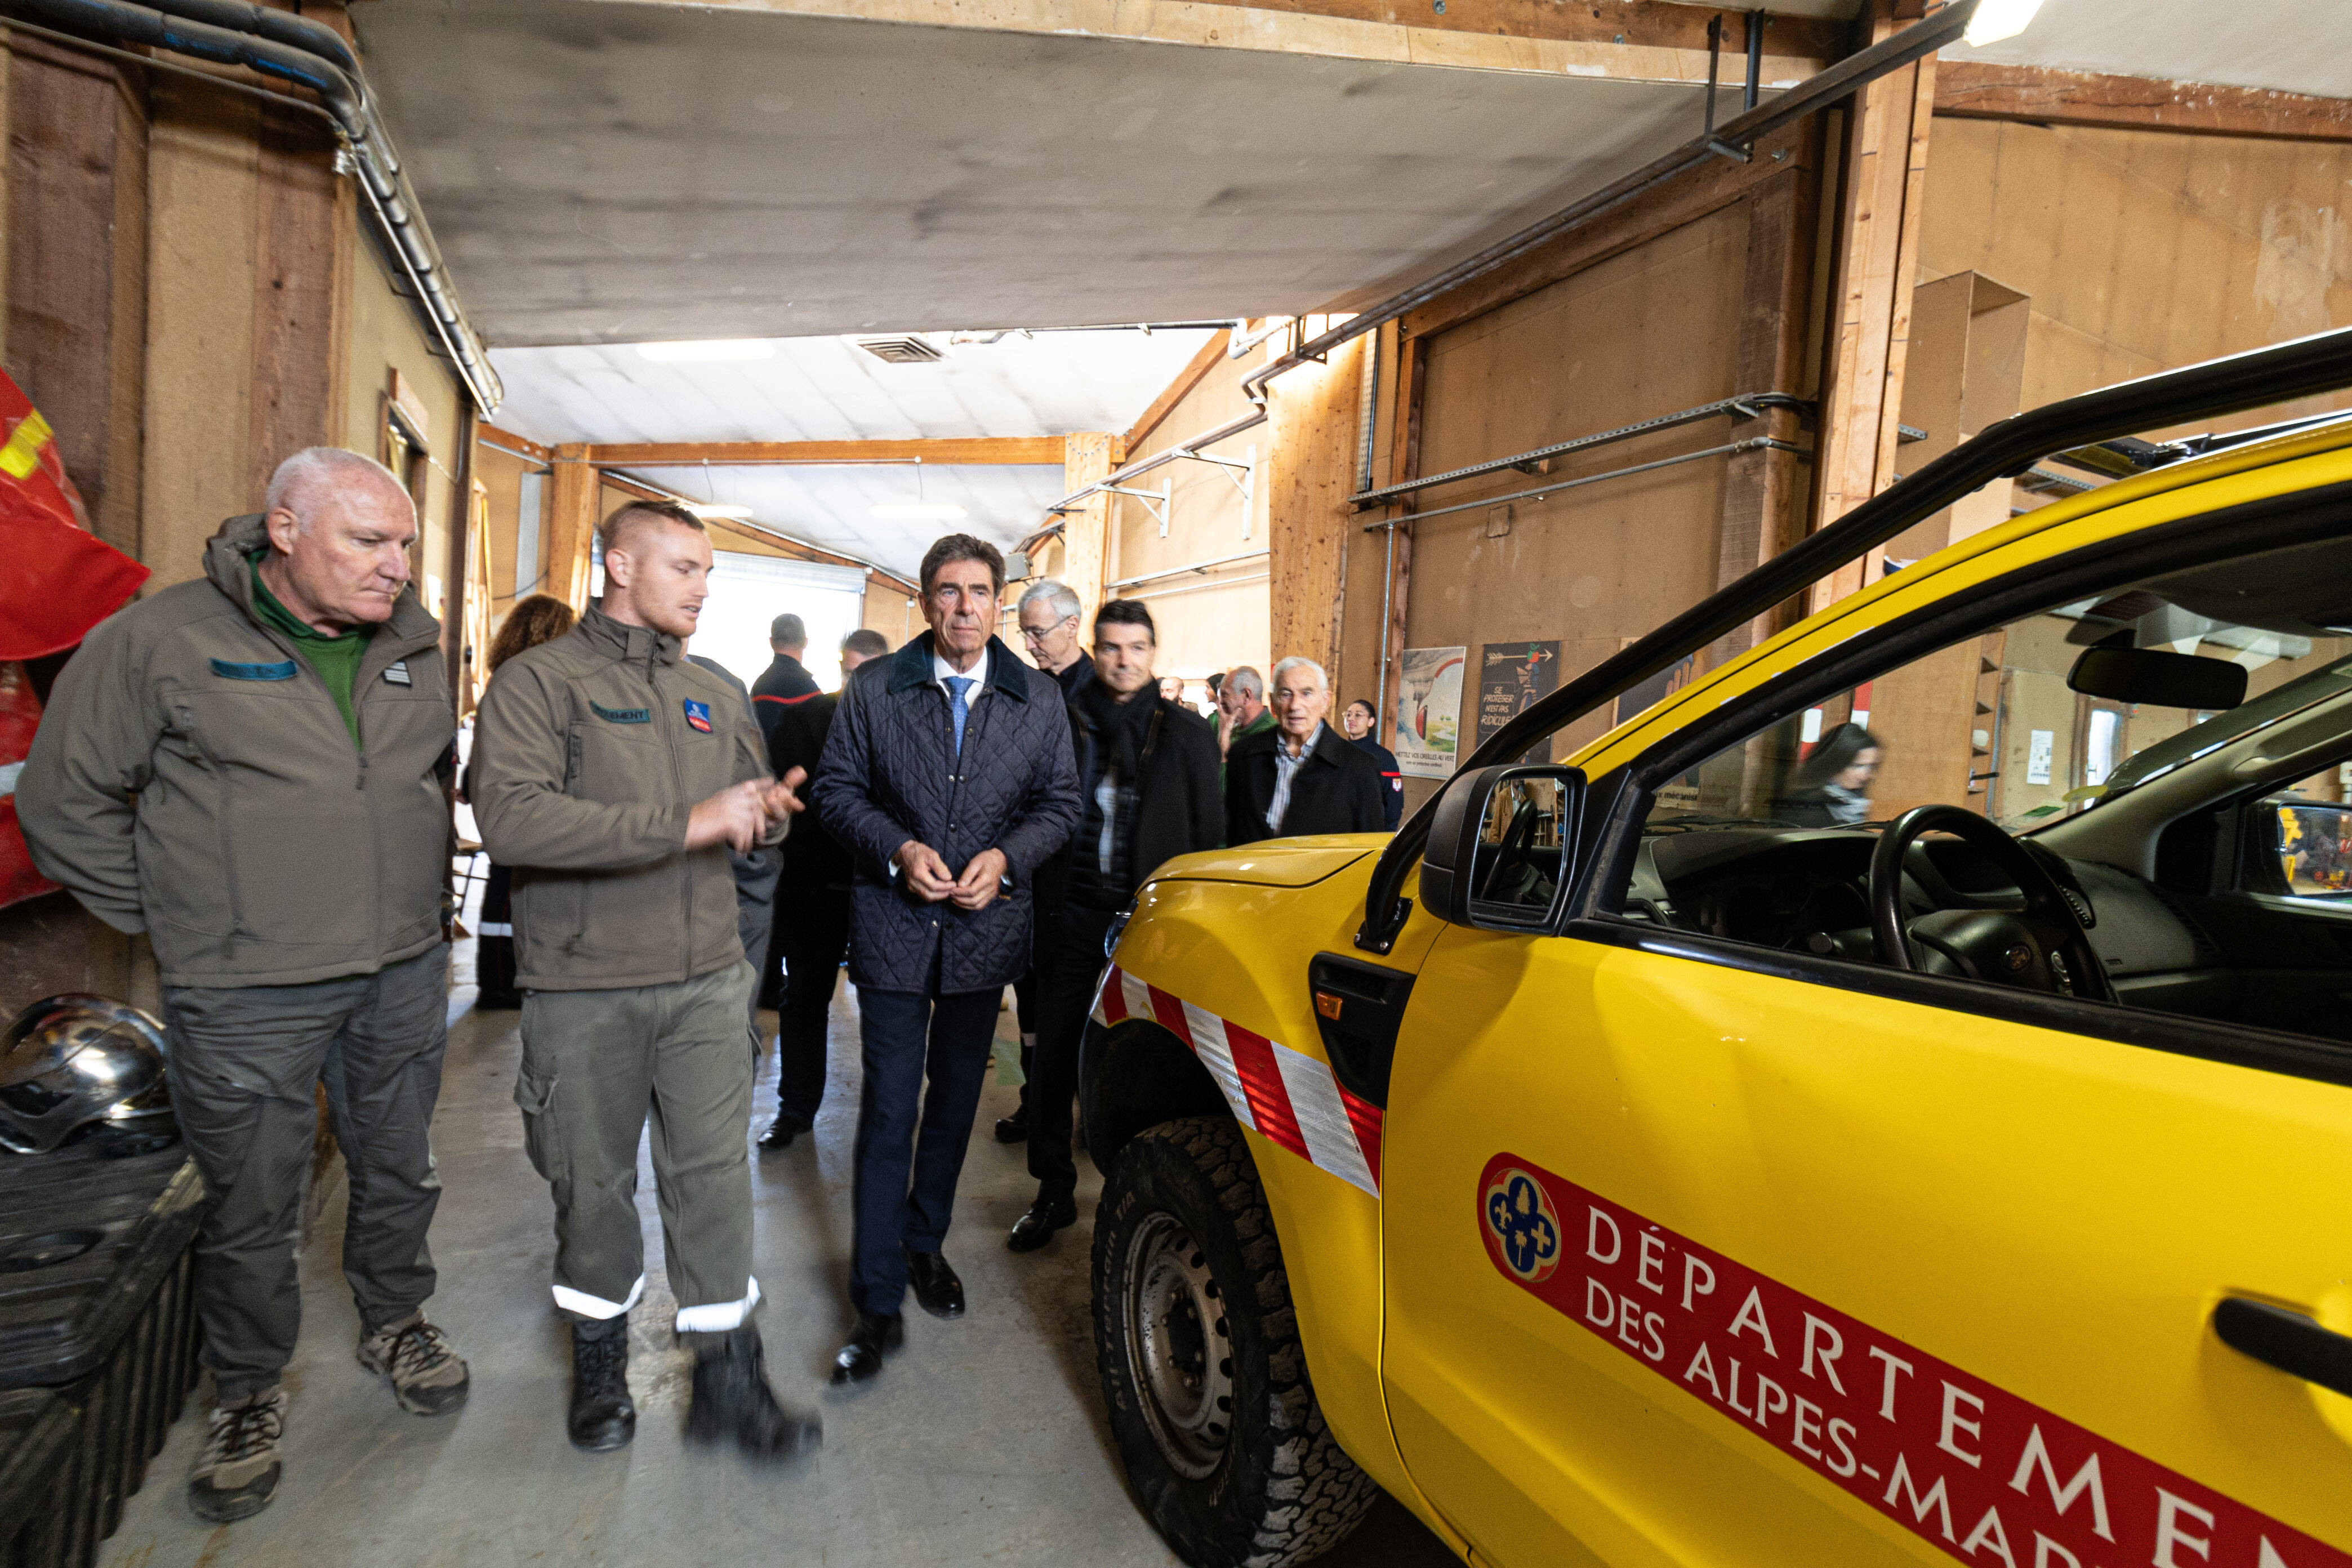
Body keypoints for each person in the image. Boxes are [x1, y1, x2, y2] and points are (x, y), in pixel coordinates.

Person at [19, 447, 471, 1523]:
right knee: (253, 1200)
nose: (395, 565)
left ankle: (397, 1318)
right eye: (369, 540)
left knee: (398, 1166)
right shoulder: (164, 638)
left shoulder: (411, 640)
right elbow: (61, 798)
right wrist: (180, 911)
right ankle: (249, 1388)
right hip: (246, 985)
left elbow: (419, 783)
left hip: (400, 966)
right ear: (283, 529)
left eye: (404, 542)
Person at [472, 497, 820, 1462]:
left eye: (709, 569)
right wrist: (688, 820)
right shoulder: (539, 684)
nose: (703, 585)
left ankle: (728, 1376)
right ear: (619, 565)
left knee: (714, 1185)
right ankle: (598, 1355)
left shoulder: (713, 687)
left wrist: (767, 810)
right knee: (592, 1186)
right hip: (587, 988)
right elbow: (514, 821)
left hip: (708, 980)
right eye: (684, 566)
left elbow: (744, 809)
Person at [809, 534, 1079, 1384]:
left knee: (957, 1099)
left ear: (1001, 601)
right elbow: (834, 790)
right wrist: (896, 849)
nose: (965, 607)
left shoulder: (1036, 698)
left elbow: (1059, 803)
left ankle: (925, 1243)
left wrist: (1007, 857)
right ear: (924, 603)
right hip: (893, 928)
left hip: (982, 933)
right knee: (890, 1106)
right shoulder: (875, 690)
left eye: (980, 591)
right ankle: (876, 1299)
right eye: (948, 592)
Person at [1012, 600, 1220, 1252]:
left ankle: (1142, 1188)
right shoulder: (1065, 723)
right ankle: (1052, 1190)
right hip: (1072, 913)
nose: (1123, 660)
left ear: (1153, 653)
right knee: (1052, 1059)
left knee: (1149, 1060)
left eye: (1135, 648)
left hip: (1149, 925)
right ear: (1093, 651)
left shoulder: (1185, 734)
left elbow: (1209, 836)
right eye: (1110, 648)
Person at [758, 626, 890, 1151]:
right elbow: (778, 793)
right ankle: (795, 1109)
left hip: (882, 889)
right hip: (814, 886)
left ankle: (886, 1116)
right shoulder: (802, 720)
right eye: (852, 673)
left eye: (870, 675)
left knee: (886, 1007)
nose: (859, 685)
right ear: (841, 668)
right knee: (804, 999)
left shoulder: (908, 725)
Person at [996, 579, 1095, 1146]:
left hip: (1076, 880)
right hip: (1023, 872)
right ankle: (1032, 1102)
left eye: (1038, 632)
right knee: (1025, 1002)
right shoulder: (1025, 691)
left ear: (1071, 627)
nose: (1031, 643)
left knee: (1071, 1009)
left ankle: (1072, 1111)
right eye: (1026, 632)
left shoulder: (1100, 698)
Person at [469, 595, 577, 1009]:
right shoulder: (530, 683)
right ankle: (500, 982)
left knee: (506, 887)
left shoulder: (504, 677)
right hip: (521, 804)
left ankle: (500, 978)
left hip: (502, 799)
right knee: (508, 891)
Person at [685, 645, 783, 1032]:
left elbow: (754, 780)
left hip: (732, 899)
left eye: (702, 578)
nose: (699, 590)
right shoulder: (569, 680)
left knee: (729, 1043)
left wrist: (769, 816)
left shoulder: (723, 686)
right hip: (633, 927)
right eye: (683, 577)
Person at [1226, 657, 1386, 845]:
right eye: (1286, 694)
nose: (1295, 706)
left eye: (1306, 694)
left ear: (1325, 701)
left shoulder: (1359, 768)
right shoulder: (1243, 755)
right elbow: (1233, 834)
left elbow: (1368, 849)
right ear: (1272, 702)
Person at [748, 613, 820, 1007]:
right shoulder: (810, 689)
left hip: (762, 803)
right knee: (794, 900)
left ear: (770, 639)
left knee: (768, 895)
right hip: (799, 808)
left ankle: (768, 980)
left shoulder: (758, 687)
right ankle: (787, 982)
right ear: (804, 641)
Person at [1776, 722, 1884, 827]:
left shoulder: (1855, 802)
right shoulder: (1805, 806)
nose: (1865, 775)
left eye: (1871, 766)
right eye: (1856, 766)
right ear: (1835, 763)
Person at [1340, 698, 1405, 831]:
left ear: (1371, 721)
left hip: (1369, 833)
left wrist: (1385, 836)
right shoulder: (1337, 752)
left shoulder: (1383, 757)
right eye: (1348, 714)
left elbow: (1394, 803)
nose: (1351, 719)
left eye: (1358, 715)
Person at [1218, 664, 1273, 773]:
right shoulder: (1234, 730)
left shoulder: (1268, 738)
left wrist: (1224, 753)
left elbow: (1226, 789)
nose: (1221, 702)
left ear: (1246, 696)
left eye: (1225, 695)